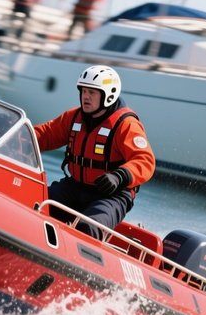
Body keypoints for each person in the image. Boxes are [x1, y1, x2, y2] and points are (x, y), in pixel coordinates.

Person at [34, 64, 155, 235]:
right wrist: (17, 134)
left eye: (92, 92)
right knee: (34, 200)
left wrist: (119, 176)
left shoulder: (126, 124)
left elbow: (145, 160)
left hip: (111, 195)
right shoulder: (73, 117)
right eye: (83, 91)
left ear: (108, 95)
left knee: (88, 229)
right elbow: (45, 134)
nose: (86, 96)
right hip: (75, 186)